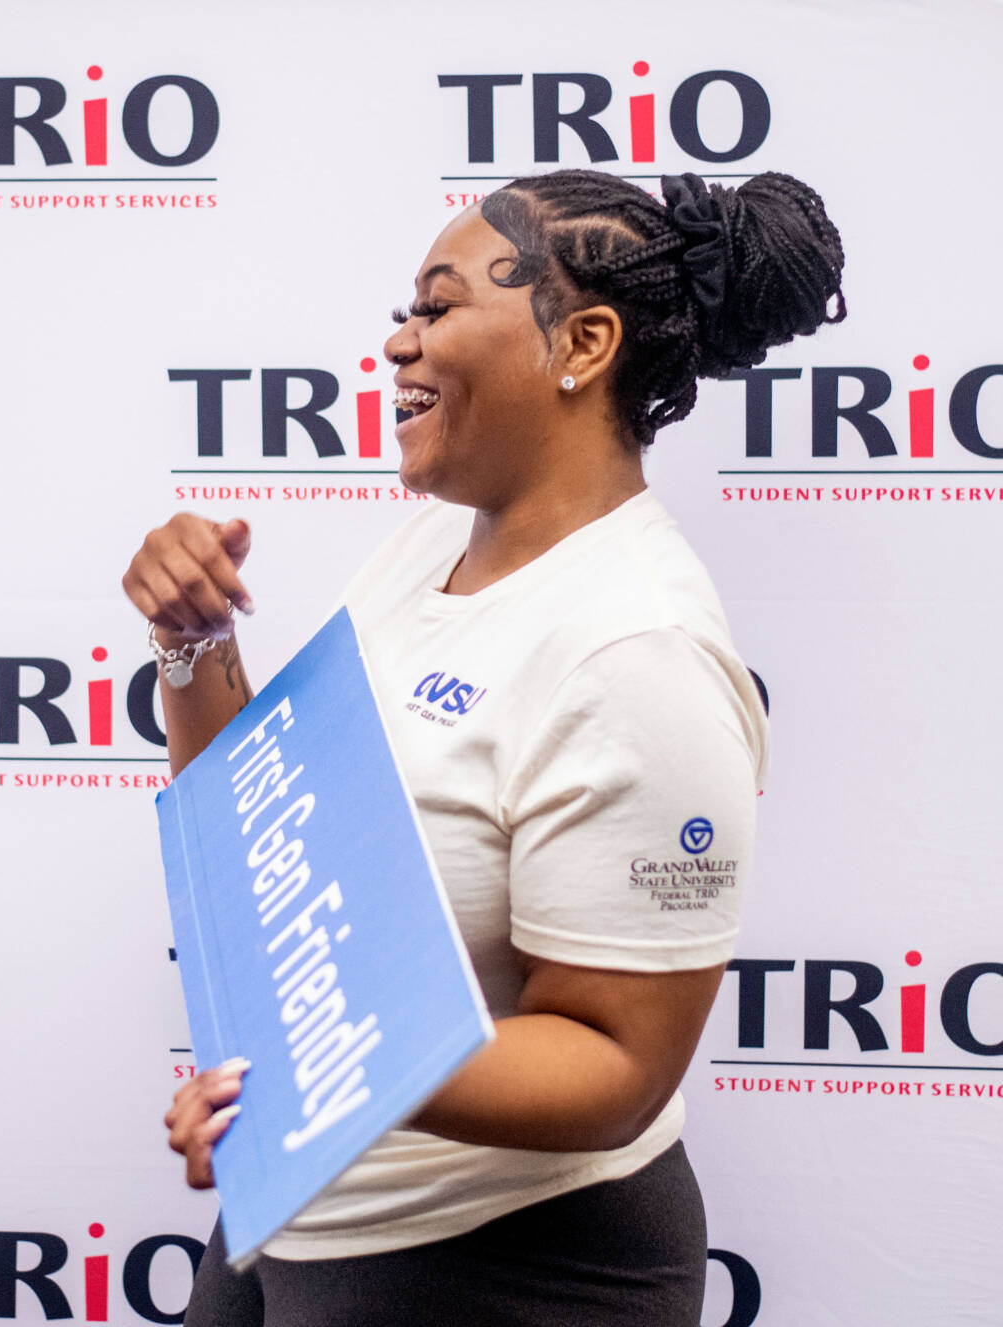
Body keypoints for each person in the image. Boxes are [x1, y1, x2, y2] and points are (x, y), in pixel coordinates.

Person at [127, 171, 845, 1325]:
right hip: (298, 1210)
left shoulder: (635, 649)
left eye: (437, 306)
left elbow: (613, 1065)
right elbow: (249, 828)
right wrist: (188, 643)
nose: (397, 342)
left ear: (583, 341)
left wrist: (313, 1073)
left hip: (503, 1267)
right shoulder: (421, 553)